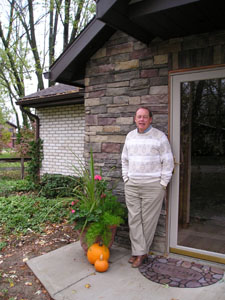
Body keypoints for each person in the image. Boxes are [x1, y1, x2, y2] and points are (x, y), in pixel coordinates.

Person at [121, 107, 174, 268]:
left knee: (148, 221)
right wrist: (126, 178)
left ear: (150, 119)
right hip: (132, 184)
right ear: (134, 119)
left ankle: (140, 253)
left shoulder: (159, 137)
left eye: (145, 117)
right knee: (134, 219)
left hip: (153, 186)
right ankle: (139, 252)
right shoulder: (130, 136)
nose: (141, 120)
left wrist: (163, 183)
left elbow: (168, 161)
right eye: (139, 117)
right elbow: (124, 159)